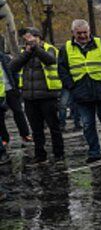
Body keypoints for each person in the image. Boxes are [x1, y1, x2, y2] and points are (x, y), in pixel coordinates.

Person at [57, 19, 101, 163]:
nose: (82, 36)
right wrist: (72, 87)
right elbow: (62, 70)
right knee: (88, 124)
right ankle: (94, 152)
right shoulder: (66, 48)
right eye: (79, 33)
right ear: (73, 33)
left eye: (85, 32)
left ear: (89, 32)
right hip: (81, 92)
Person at [9, 28, 63, 163]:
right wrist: (27, 52)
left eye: (32, 38)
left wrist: (36, 48)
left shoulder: (49, 48)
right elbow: (13, 67)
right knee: (36, 129)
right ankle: (40, 154)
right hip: (29, 96)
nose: (29, 41)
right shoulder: (24, 52)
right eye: (27, 39)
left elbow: (50, 60)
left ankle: (58, 153)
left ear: (39, 37)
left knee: (53, 127)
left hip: (47, 95)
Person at [0, 48, 32, 145]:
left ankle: (25, 134)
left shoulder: (4, 57)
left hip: (10, 89)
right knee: (0, 116)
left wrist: (16, 86)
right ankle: (4, 138)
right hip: (0, 93)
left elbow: (13, 71)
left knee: (18, 111)